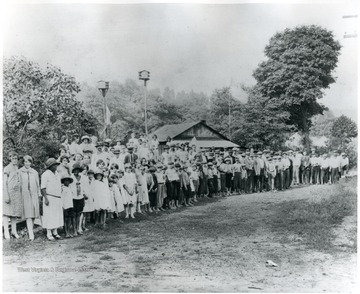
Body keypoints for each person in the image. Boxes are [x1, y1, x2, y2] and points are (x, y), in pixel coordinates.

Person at [19, 155, 41, 241]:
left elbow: (37, 184)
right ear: (23, 162)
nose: (27, 163)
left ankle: (29, 231)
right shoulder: (20, 171)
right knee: (28, 215)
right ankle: (31, 234)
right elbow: (19, 184)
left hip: (34, 194)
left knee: (33, 215)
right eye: (25, 161)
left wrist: (39, 195)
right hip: (25, 195)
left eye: (29, 161)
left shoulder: (34, 172)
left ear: (31, 162)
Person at [41, 158, 63, 241]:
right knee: (49, 215)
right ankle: (49, 233)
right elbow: (43, 187)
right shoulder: (45, 174)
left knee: (56, 215)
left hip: (57, 197)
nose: (56, 166)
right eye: (54, 165)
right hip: (49, 197)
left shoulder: (57, 174)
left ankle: (55, 232)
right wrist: (46, 198)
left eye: (56, 165)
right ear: (50, 166)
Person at [3, 151, 23, 240]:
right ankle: (6, 233)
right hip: (9, 193)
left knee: (14, 214)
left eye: (16, 158)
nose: (15, 160)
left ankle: (14, 232)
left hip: (16, 194)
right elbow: (4, 182)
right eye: (13, 158)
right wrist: (6, 194)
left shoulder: (17, 168)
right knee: (7, 214)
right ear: (10, 159)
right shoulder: (7, 168)